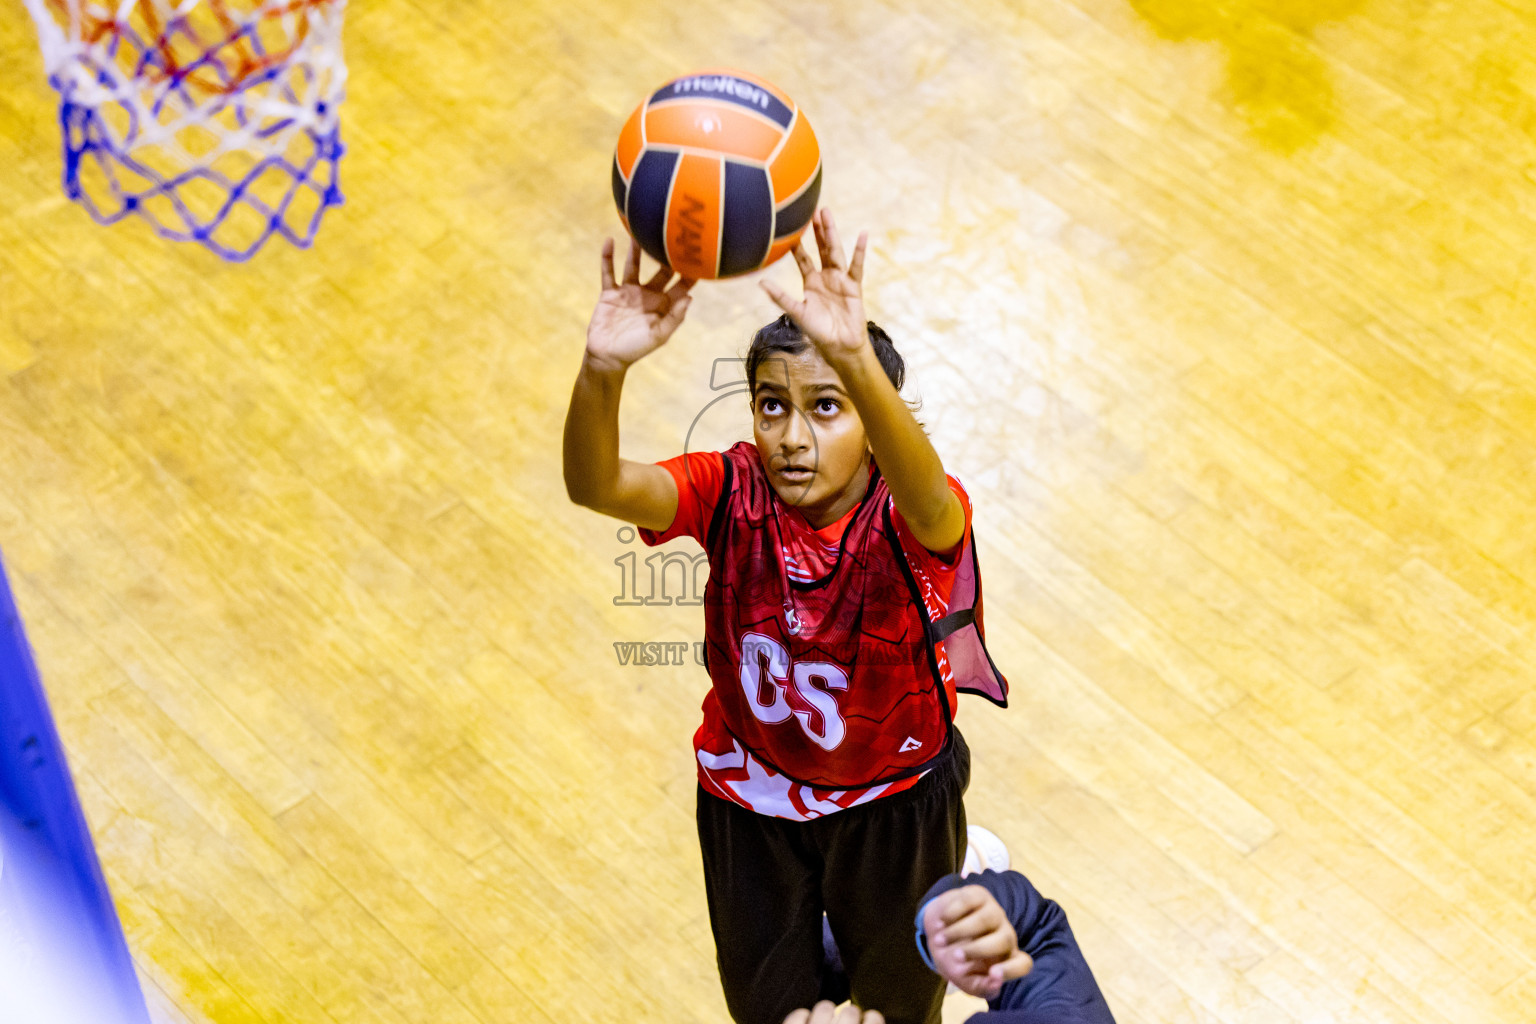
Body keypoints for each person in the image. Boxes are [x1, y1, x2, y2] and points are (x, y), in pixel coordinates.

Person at [563, 209, 1009, 1024]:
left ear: (874, 425)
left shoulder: (909, 517)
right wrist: (601, 367)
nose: (792, 437)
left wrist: (855, 361)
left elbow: (936, 503)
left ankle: (952, 866)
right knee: (771, 1016)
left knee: (899, 1014)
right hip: (752, 794)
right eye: (772, 406)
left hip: (893, 798)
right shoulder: (728, 488)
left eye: (827, 407)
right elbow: (595, 486)